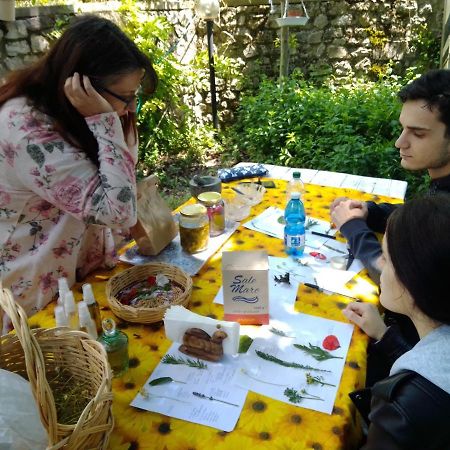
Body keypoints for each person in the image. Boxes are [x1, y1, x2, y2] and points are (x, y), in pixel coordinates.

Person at [0, 15, 157, 328]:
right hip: (33, 290)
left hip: (81, 272)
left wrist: (112, 123)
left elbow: (122, 175)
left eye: (135, 94)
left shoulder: (90, 114)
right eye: (125, 97)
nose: (131, 108)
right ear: (80, 86)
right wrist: (106, 124)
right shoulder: (25, 127)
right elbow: (119, 212)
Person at [343, 194, 450, 449]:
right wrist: (385, 337)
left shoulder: (405, 409)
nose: (381, 268)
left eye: (387, 259)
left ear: (416, 280)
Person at [330, 69, 450, 285]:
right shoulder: (441, 187)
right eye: (403, 128)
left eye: (418, 133)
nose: (399, 143)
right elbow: (422, 219)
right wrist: (371, 212)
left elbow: (394, 280)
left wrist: (352, 227)